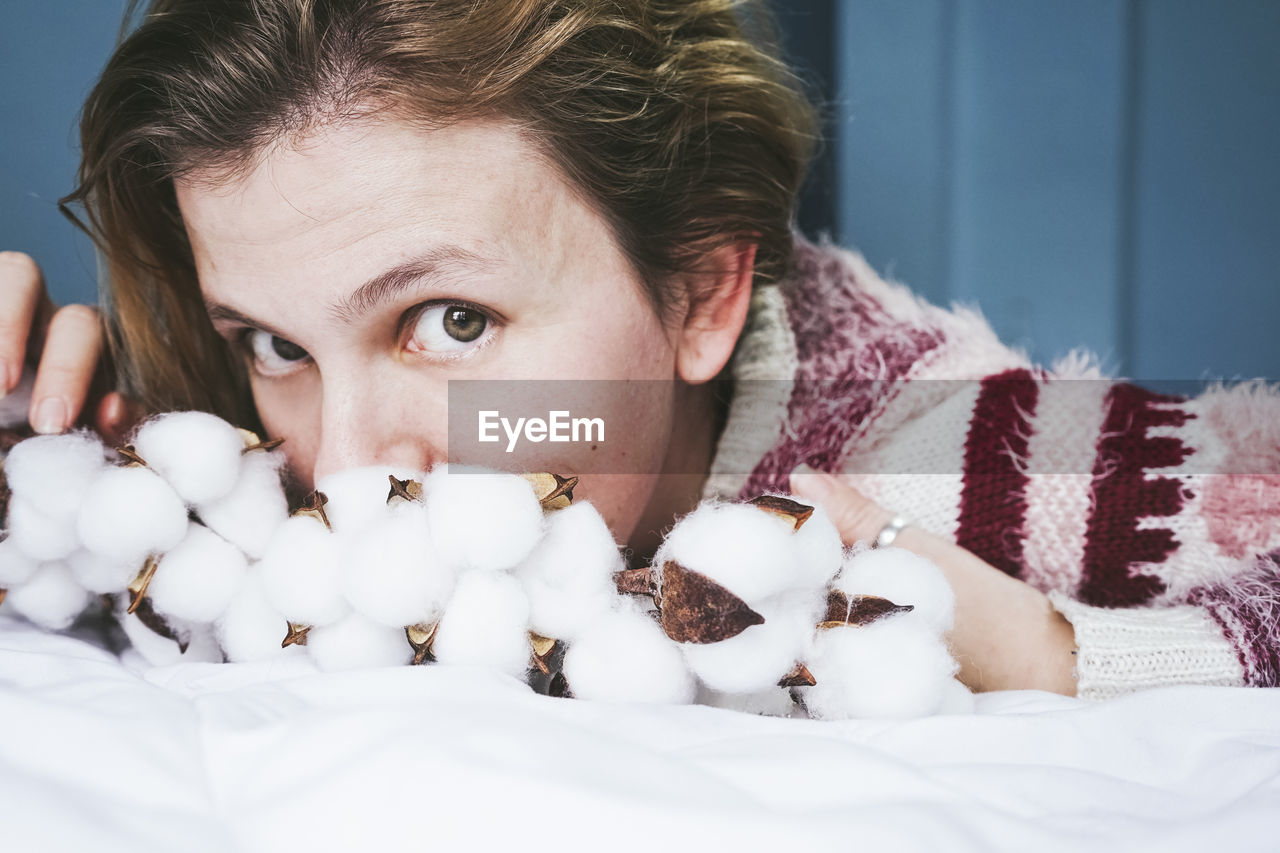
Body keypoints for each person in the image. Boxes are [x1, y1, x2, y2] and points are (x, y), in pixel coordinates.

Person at [1, 0, 1277, 700]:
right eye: (273, 341)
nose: (338, 467)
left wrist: (1069, 660)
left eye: (451, 322)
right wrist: (48, 480)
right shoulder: (266, 465)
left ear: (702, 296)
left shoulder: (947, 460)